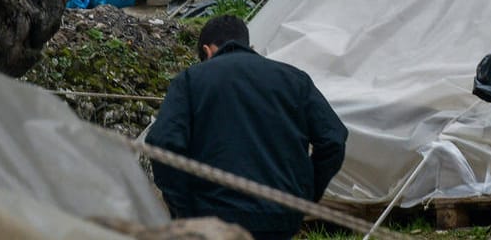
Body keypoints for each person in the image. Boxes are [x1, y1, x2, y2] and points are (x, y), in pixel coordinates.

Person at [146, 16, 348, 240]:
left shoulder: (191, 81)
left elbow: (162, 144)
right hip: (279, 217)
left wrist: (183, 209)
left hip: (212, 218)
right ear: (248, 45)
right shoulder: (294, 80)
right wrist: (305, 197)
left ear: (208, 51)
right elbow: (333, 140)